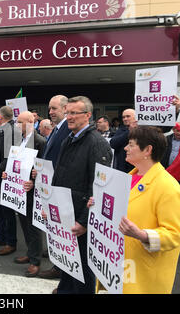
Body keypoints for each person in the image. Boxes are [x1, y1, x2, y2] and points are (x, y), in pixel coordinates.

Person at [93, 126, 180, 293]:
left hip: (142, 275)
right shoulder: (128, 178)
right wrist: (97, 205)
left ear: (147, 150)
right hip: (119, 267)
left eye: (131, 144)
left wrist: (143, 235)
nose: (125, 148)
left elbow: (175, 234)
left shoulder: (168, 187)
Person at [52, 96, 112, 294]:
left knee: (83, 272)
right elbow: (60, 175)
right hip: (65, 214)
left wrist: (84, 222)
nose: (69, 117)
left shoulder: (96, 143)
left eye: (73, 113)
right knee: (68, 265)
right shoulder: (69, 139)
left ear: (87, 115)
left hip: (79, 218)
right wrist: (51, 206)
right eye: (67, 112)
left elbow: (100, 186)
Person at [1, 111, 46, 277]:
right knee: (24, 223)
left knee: (33, 226)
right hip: (18, 189)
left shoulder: (40, 141)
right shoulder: (19, 140)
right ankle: (30, 252)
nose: (17, 125)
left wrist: (35, 181)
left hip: (30, 190)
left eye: (20, 122)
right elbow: (14, 162)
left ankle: (35, 261)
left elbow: (43, 167)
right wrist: (8, 173)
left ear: (30, 122)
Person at [37, 95, 71, 280]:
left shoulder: (67, 129)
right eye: (49, 109)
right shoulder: (58, 129)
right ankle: (56, 259)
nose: (50, 112)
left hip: (60, 188)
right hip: (51, 185)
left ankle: (59, 268)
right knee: (52, 227)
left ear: (65, 109)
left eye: (54, 108)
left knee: (60, 229)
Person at [0, 106, 22, 256]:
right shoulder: (4, 129)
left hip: (5, 176)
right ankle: (1, 236)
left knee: (7, 211)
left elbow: (10, 157)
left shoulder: (12, 131)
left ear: (1, 117)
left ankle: (10, 242)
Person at [110, 109, 137, 173]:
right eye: (123, 117)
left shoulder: (143, 130)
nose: (125, 119)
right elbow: (113, 143)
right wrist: (129, 131)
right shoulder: (121, 130)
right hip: (122, 167)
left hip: (137, 167)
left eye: (128, 116)